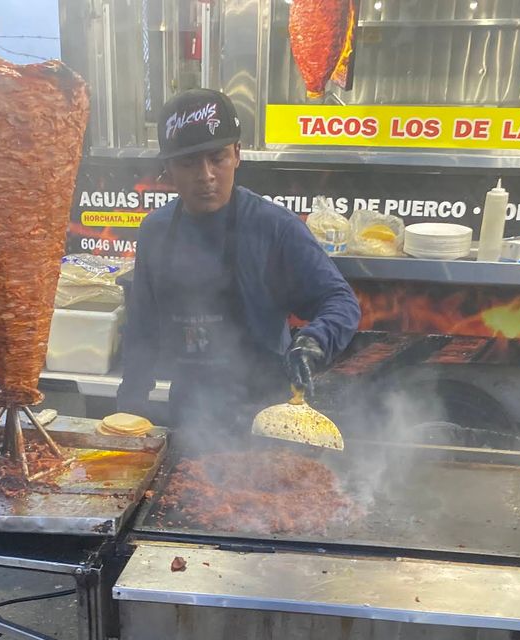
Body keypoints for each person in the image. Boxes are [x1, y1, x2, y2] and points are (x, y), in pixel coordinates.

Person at [115, 88, 360, 438]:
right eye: (188, 163)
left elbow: (340, 300)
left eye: (218, 158)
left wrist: (314, 340)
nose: (206, 175)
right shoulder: (155, 231)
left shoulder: (274, 227)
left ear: (238, 155)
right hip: (190, 413)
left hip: (267, 417)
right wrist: (130, 402)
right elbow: (142, 327)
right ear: (167, 169)